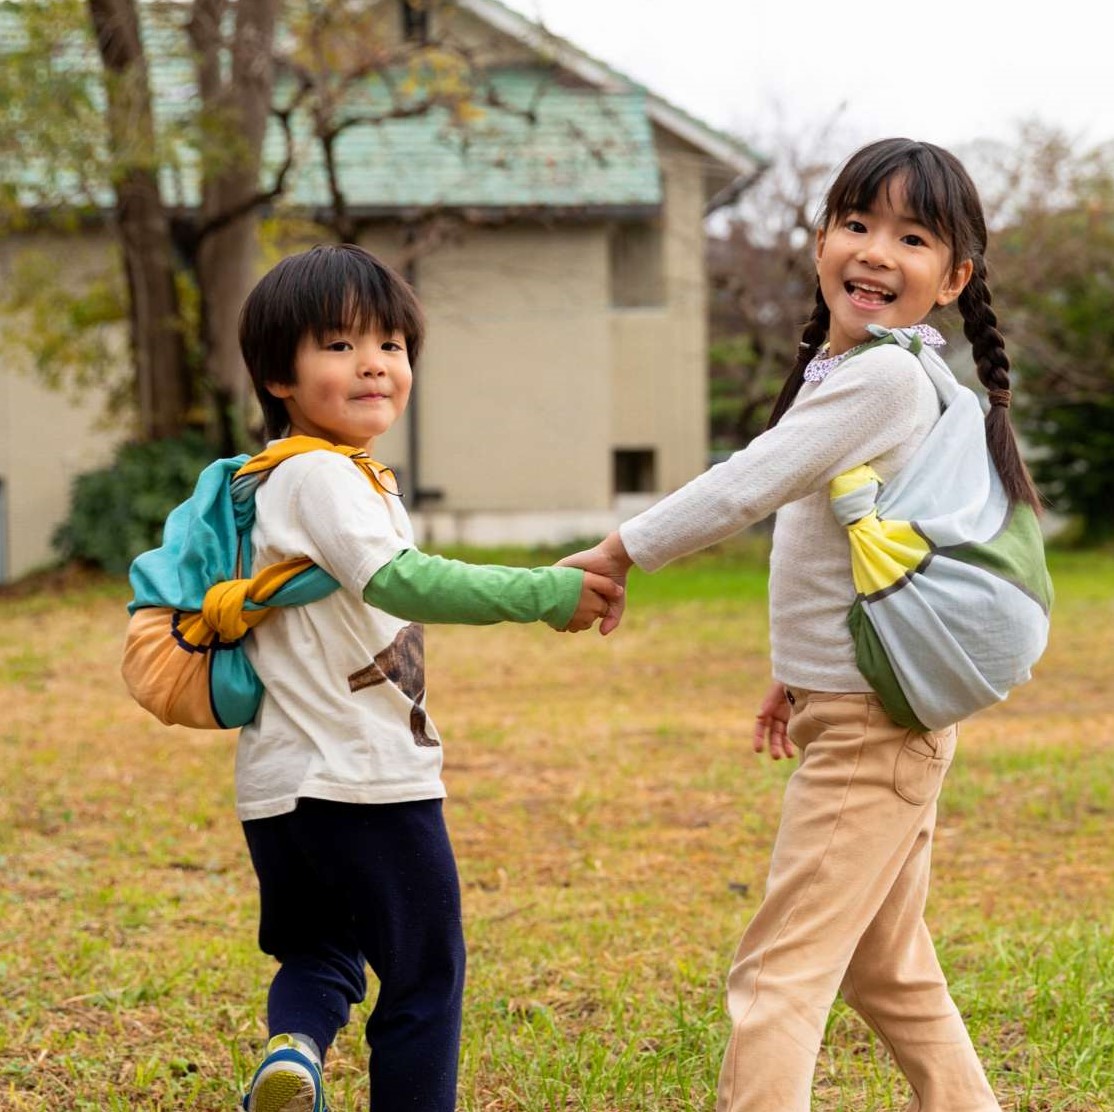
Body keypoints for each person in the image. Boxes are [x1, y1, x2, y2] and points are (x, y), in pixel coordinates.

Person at [561, 138, 1040, 1112]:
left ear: (951, 279)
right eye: (855, 223)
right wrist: (797, 668)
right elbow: (830, 550)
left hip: (867, 736)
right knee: (887, 971)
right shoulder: (856, 371)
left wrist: (618, 550)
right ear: (820, 239)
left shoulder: (885, 379)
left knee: (776, 978)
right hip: (869, 715)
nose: (872, 250)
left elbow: (747, 484)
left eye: (909, 237)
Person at [232, 243, 622, 1112]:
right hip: (368, 783)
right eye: (338, 345)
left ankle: (294, 1048)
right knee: (425, 979)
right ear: (278, 374)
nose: (373, 363)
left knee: (321, 953)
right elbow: (402, 581)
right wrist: (543, 594)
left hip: (279, 792)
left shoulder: (289, 480)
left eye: (391, 345)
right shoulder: (321, 476)